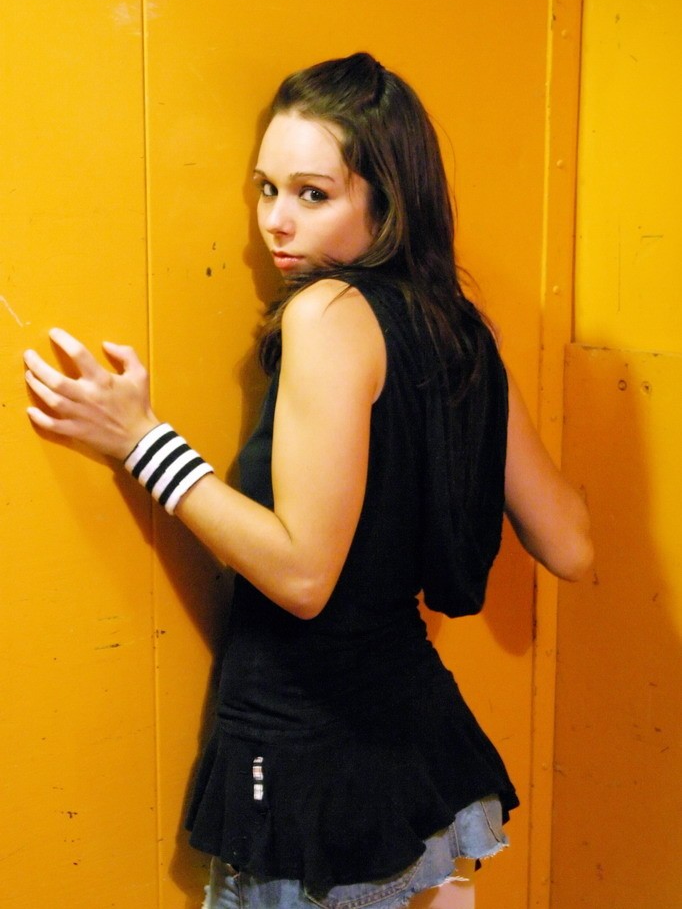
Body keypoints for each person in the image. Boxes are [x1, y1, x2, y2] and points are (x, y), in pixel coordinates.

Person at [23, 52, 593, 909]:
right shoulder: (460, 333)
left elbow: (300, 576)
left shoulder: (326, 315)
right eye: (266, 189)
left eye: (313, 195)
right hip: (417, 756)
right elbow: (573, 545)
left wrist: (142, 441)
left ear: (387, 204)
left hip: (310, 777)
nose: (276, 224)